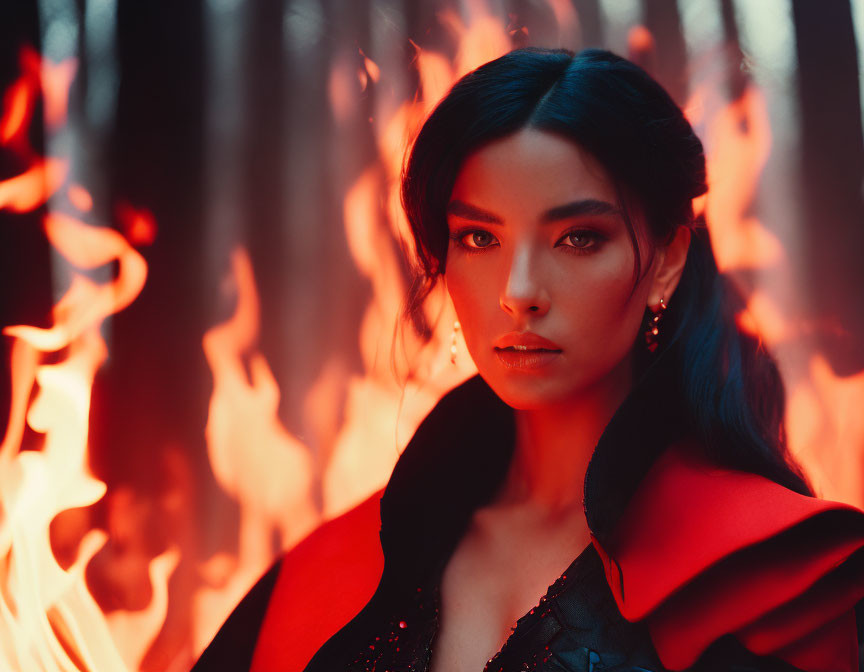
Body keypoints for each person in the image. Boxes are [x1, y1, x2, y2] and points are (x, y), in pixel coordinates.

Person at [193, 47, 864, 672]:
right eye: (479, 236)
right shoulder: (340, 564)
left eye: (577, 238)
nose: (518, 293)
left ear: (667, 260)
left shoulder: (770, 576)